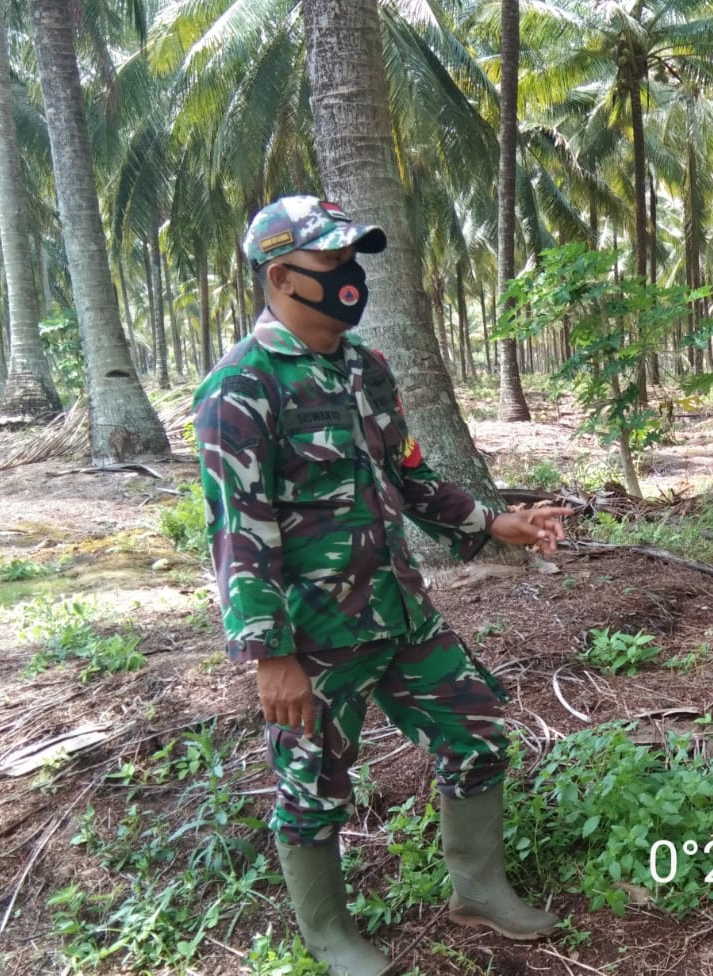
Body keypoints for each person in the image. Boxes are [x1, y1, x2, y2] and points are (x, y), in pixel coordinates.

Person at [195, 195, 573, 976]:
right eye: (331, 263)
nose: (350, 278)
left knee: (476, 731)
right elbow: (238, 531)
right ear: (280, 276)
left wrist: (492, 525)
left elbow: (410, 477)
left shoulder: (367, 369)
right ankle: (331, 938)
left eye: (353, 261)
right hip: (315, 636)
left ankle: (479, 888)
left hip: (401, 613)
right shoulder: (242, 388)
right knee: (313, 788)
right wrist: (270, 655)